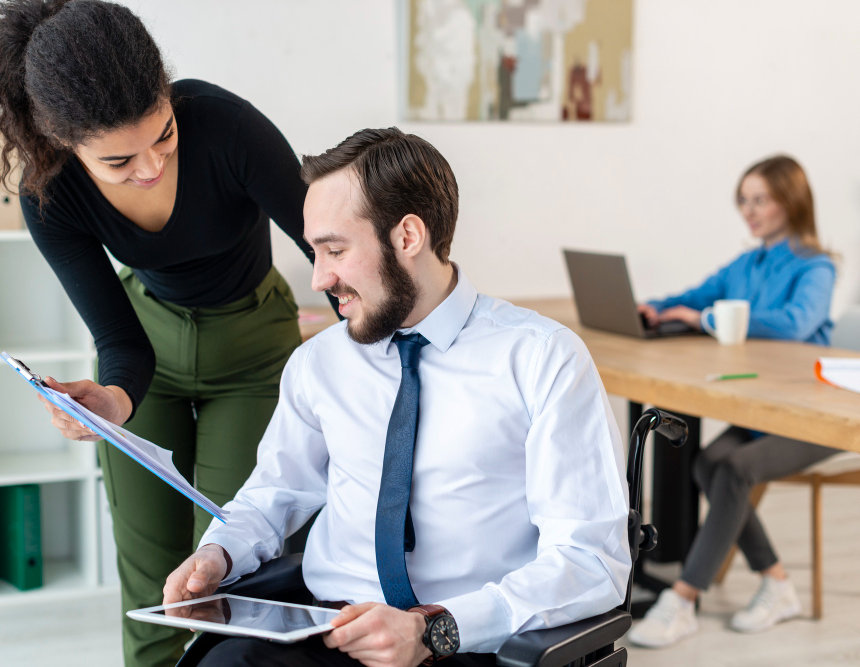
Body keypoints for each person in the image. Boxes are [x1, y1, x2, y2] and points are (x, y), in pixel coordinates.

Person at [162, 128, 632, 666]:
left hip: (467, 644)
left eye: (335, 249)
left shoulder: (542, 359)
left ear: (408, 236)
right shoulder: (319, 363)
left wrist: (433, 631)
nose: (318, 279)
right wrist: (218, 553)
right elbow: (275, 492)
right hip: (330, 634)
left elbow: (591, 561)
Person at [0, 2, 333, 665]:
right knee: (150, 582)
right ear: (63, 146)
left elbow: (329, 251)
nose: (151, 167)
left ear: (169, 96)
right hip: (148, 352)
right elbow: (123, 344)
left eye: (163, 135)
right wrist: (111, 402)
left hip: (254, 349)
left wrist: (371, 348)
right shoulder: (49, 195)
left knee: (228, 570)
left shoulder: (225, 126)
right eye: (118, 161)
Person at [628, 156, 839, 648]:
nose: (749, 209)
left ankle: (681, 599)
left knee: (734, 468)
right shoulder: (748, 263)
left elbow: (792, 323)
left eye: (760, 198)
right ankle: (778, 583)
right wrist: (653, 310)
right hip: (765, 410)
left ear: (791, 200)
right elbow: (698, 294)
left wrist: (703, 320)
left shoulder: (817, 267)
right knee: (708, 463)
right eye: (743, 199)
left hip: (817, 415)